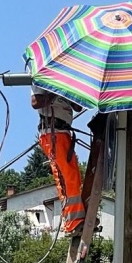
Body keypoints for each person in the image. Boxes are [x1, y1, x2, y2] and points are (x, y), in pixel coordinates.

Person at [31, 84, 86, 235]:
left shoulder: (66, 78)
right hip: (52, 132)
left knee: (73, 177)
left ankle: (78, 218)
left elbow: (78, 107)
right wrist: (57, 89)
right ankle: (72, 222)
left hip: (62, 132)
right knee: (65, 177)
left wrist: (70, 89)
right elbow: (35, 102)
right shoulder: (44, 78)